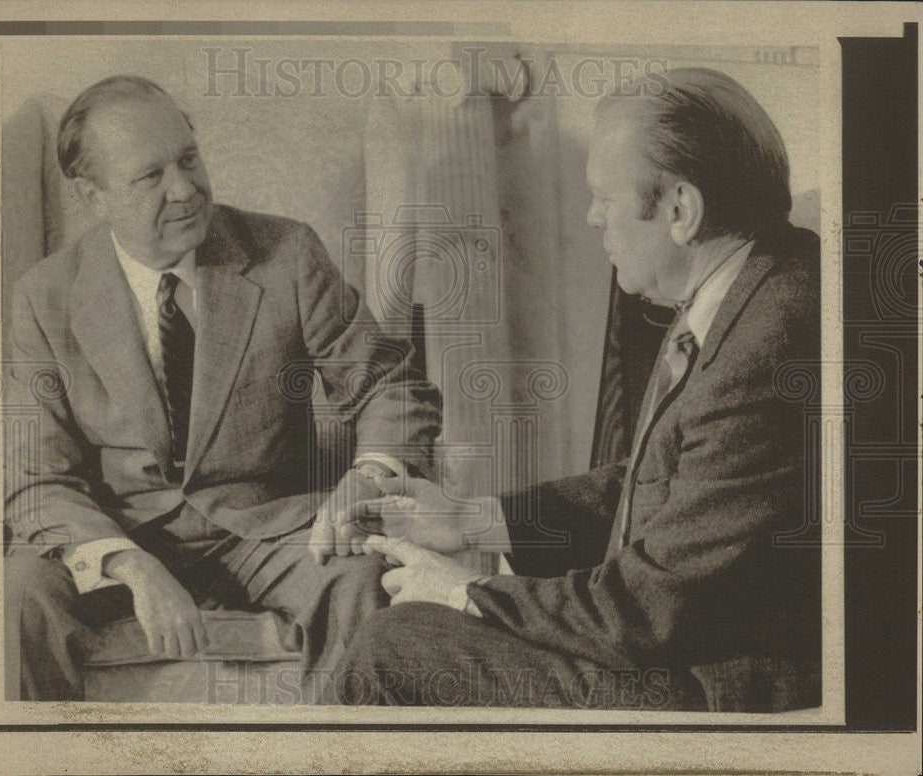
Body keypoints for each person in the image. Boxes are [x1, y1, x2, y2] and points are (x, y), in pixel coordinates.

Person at [334, 67, 821, 712]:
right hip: (686, 646)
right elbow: (653, 484)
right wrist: (473, 519)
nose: (592, 218)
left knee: (395, 646)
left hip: (716, 683)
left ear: (681, 210)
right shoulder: (743, 293)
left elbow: (650, 611)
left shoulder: (767, 342)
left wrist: (462, 592)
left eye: (604, 196)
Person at [3, 75, 441, 701]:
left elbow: (389, 383)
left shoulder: (286, 252)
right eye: (149, 176)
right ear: (92, 195)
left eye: (188, 159)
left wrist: (368, 477)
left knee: (366, 573)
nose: (184, 190)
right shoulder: (45, 299)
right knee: (15, 593)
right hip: (122, 531)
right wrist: (130, 563)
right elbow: (34, 476)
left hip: (265, 528)